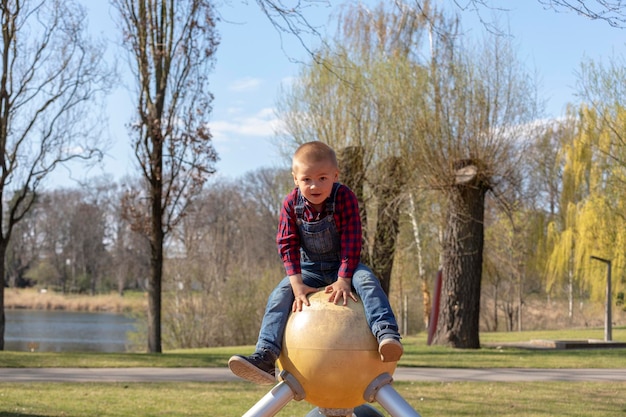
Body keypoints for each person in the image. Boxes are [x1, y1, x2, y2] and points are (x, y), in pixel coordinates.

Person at [228, 141, 402, 385]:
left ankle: (386, 333)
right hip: (308, 269)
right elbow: (286, 244)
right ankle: (265, 356)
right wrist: (297, 283)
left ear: (335, 176)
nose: (314, 185)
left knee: (368, 282)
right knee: (279, 296)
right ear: (295, 179)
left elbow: (353, 239)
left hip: (344, 265)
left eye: (322, 178)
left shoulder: (344, 198)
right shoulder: (291, 204)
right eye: (307, 179)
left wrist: (344, 279)